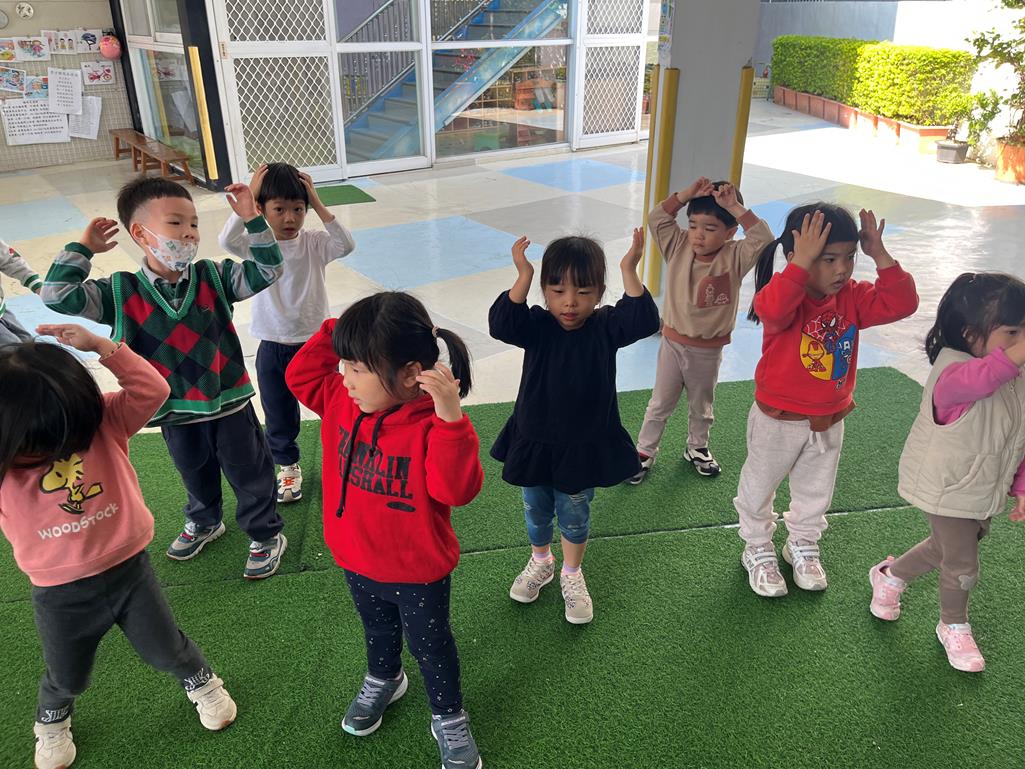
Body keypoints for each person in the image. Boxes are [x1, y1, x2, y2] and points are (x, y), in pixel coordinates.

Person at [0, 324, 236, 769]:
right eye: (37, 446)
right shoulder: (6, 463)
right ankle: (52, 717)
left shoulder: (102, 421)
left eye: (63, 435)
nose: (54, 450)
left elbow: (153, 390)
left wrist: (103, 347)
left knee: (166, 648)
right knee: (67, 674)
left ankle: (202, 680)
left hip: (130, 573)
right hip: (59, 593)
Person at [41, 177, 288, 579]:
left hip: (229, 403)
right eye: (176, 223)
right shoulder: (118, 292)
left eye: (194, 224)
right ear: (140, 233)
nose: (189, 233)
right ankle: (205, 521)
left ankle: (265, 533)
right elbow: (56, 295)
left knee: (250, 473)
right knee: (193, 471)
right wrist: (83, 248)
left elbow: (269, 268)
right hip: (172, 410)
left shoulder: (215, 277)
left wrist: (252, 219)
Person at [286, 293, 485, 769]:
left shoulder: (434, 424)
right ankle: (385, 678)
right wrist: (339, 330)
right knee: (376, 629)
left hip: (418, 570)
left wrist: (451, 417)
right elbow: (298, 376)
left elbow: (456, 490)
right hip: (356, 558)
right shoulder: (340, 399)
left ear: (410, 373)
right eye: (345, 365)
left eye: (358, 368)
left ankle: (449, 715)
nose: (345, 378)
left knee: (431, 648)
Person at [734, 205, 918, 597]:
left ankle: (802, 542)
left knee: (816, 489)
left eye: (849, 257)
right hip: (778, 419)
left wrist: (878, 253)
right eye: (828, 259)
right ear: (796, 256)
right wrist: (800, 265)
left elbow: (903, 303)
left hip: (829, 418)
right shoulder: (785, 296)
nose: (842, 269)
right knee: (759, 485)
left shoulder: (853, 298)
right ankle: (757, 545)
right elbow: (772, 309)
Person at [490, 229, 660, 623]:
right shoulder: (537, 325)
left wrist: (629, 268)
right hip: (535, 439)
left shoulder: (605, 326)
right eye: (557, 291)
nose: (569, 302)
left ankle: (571, 572)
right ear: (545, 293)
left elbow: (643, 319)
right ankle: (541, 561)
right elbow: (502, 323)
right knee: (535, 509)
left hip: (583, 444)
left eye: (583, 292)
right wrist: (523, 275)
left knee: (574, 513)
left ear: (599, 293)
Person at [869, 272, 1025, 672]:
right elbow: (984, 379)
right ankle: (953, 624)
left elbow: (1018, 435)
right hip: (947, 487)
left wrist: (1021, 485)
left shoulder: (1016, 379)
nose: (1021, 340)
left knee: (946, 548)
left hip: (980, 487)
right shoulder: (954, 376)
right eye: (1012, 332)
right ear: (970, 335)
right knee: (963, 563)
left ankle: (890, 576)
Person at [219, 162, 355, 503]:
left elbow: (346, 244)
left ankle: (348, 453)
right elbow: (227, 240)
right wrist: (248, 198)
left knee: (333, 403)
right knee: (278, 411)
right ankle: (288, 466)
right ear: (262, 209)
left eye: (298, 209)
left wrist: (317, 202)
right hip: (273, 343)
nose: (290, 217)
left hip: (315, 346)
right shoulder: (257, 245)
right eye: (279, 209)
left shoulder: (314, 243)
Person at [630, 177, 773, 482]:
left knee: (701, 405)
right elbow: (657, 218)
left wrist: (734, 207)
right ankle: (644, 451)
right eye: (693, 225)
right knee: (659, 403)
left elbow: (763, 238)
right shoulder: (678, 245)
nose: (698, 234)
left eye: (710, 228)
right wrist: (685, 194)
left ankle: (697, 447)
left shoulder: (735, 256)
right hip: (672, 344)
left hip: (708, 351)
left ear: (730, 232)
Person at [0, 238, 43, 346]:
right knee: (11, 350)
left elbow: (9, 259)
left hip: (2, 310)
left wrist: (37, 286)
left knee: (28, 343)